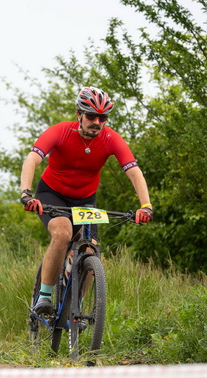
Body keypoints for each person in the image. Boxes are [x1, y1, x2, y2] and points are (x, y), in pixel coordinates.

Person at [20, 86, 153, 315]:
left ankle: (77, 310)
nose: (97, 122)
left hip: (85, 201)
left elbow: (134, 172)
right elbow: (32, 159)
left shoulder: (111, 139)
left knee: (91, 249)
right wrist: (26, 193)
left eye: (103, 118)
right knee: (63, 233)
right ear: (79, 114)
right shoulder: (61, 131)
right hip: (52, 194)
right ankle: (44, 296)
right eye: (91, 116)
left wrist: (146, 206)